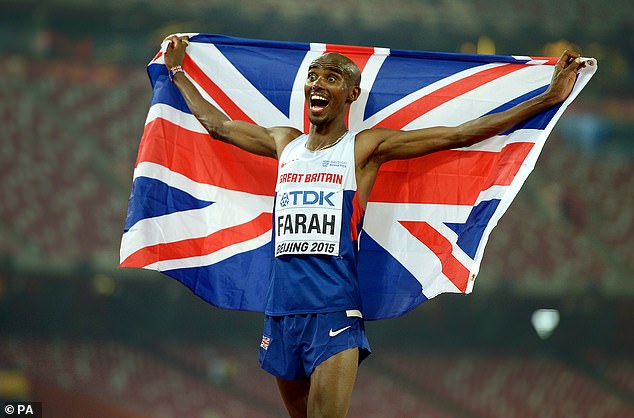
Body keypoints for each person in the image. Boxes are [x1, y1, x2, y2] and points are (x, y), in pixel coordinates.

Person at [163, 35, 585, 418]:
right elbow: (216, 126)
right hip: (281, 311)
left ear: (350, 94)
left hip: (333, 310)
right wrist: (177, 71)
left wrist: (548, 97)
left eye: (331, 78)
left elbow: (460, 133)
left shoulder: (364, 148)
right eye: (313, 76)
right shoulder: (284, 142)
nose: (317, 84)